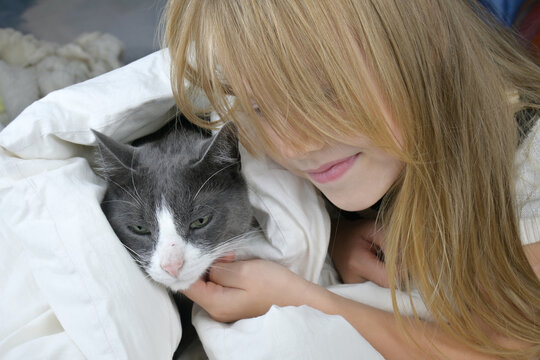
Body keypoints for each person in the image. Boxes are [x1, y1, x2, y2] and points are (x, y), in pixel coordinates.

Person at [163, 0, 540, 358]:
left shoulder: (529, 162)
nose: (292, 145)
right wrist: (332, 237)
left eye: (327, 93)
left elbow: (506, 352)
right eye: (259, 108)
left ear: (427, 40)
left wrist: (302, 299)